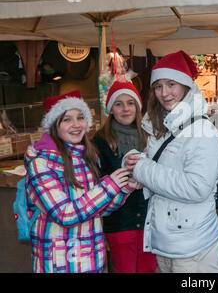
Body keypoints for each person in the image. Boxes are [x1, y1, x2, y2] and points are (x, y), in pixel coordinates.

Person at [123, 51, 218, 273]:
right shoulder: (164, 127)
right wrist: (141, 176)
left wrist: (143, 169)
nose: (164, 93)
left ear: (186, 86)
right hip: (169, 240)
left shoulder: (202, 130)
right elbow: (165, 173)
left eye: (171, 84)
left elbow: (196, 187)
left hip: (193, 245)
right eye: (158, 86)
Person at [24, 90, 138, 273]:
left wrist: (124, 188)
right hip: (59, 263)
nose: (76, 125)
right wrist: (109, 186)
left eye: (80, 117)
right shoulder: (40, 164)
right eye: (67, 119)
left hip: (92, 260)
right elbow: (65, 215)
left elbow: (98, 209)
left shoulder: (88, 157)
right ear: (54, 125)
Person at [92, 81, 157, 273]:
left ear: (137, 106)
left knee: (148, 269)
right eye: (118, 104)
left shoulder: (150, 135)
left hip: (149, 221)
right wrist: (124, 179)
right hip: (119, 222)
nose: (125, 109)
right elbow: (97, 184)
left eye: (130, 103)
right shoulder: (100, 141)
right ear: (110, 109)